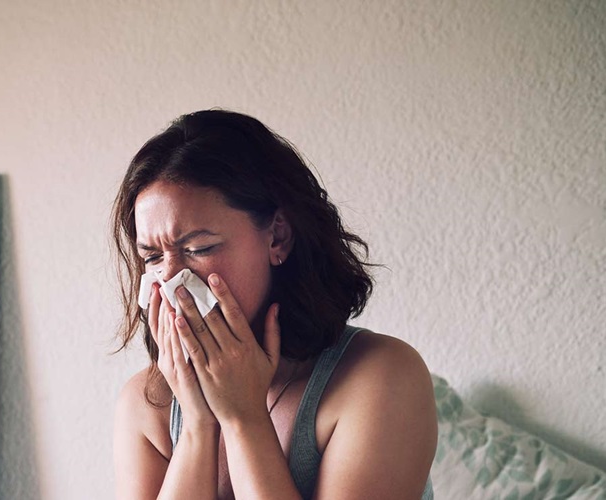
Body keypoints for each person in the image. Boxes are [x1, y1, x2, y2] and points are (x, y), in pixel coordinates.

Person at [111, 110, 436, 499]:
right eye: (152, 258)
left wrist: (243, 418)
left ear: (278, 238)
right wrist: (198, 423)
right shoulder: (148, 404)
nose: (172, 281)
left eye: (199, 248)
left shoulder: (380, 378)